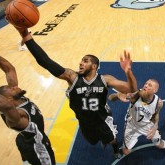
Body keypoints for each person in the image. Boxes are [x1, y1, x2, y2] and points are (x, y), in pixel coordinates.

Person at [13, 27, 137, 158]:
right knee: (93, 141)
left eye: (86, 61)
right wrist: (26, 37)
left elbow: (132, 89)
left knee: (111, 138)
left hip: (102, 119)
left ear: (94, 66)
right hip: (84, 122)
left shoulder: (105, 79)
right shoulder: (72, 77)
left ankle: (115, 149)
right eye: (81, 60)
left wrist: (128, 72)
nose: (81, 63)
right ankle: (104, 141)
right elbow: (46, 62)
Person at [0, 50, 56, 165]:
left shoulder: (17, 98)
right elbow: (5, 106)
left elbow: (9, 69)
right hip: (37, 148)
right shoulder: (17, 114)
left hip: (24, 139)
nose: (13, 87)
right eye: (10, 89)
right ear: (8, 99)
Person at [108, 79, 165, 160]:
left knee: (159, 145)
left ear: (155, 90)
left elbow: (156, 115)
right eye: (146, 83)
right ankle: (124, 146)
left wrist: (155, 126)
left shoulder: (159, 103)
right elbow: (110, 98)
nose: (146, 85)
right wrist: (117, 96)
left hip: (148, 126)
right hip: (132, 125)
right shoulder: (135, 95)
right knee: (126, 151)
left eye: (149, 85)